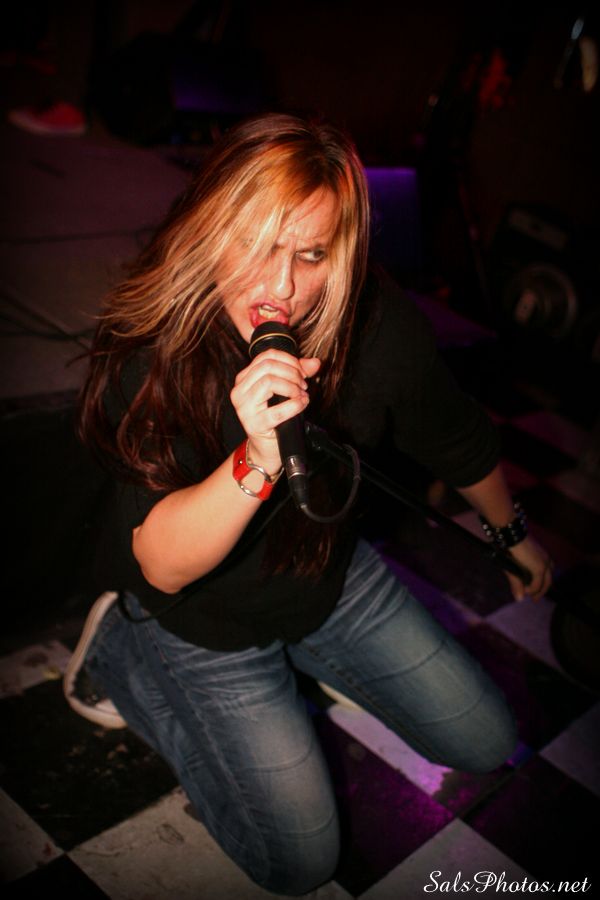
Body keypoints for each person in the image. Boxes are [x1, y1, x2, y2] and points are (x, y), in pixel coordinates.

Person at [64, 112, 553, 895]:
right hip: (201, 617)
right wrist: (257, 459)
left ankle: (308, 659)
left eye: (311, 253)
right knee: (298, 863)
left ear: (342, 254)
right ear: (211, 231)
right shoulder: (156, 346)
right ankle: (123, 654)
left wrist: (510, 530)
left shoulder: (377, 324)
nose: (282, 286)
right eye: (258, 244)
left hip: (328, 575)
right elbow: (160, 563)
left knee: (485, 740)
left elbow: (454, 435)